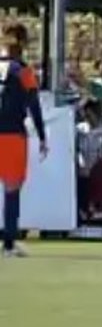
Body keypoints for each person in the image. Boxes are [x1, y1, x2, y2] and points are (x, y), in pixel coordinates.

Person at [0, 24, 48, 257]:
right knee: (11, 189)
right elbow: (33, 105)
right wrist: (42, 135)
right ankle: (9, 244)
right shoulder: (23, 71)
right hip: (11, 135)